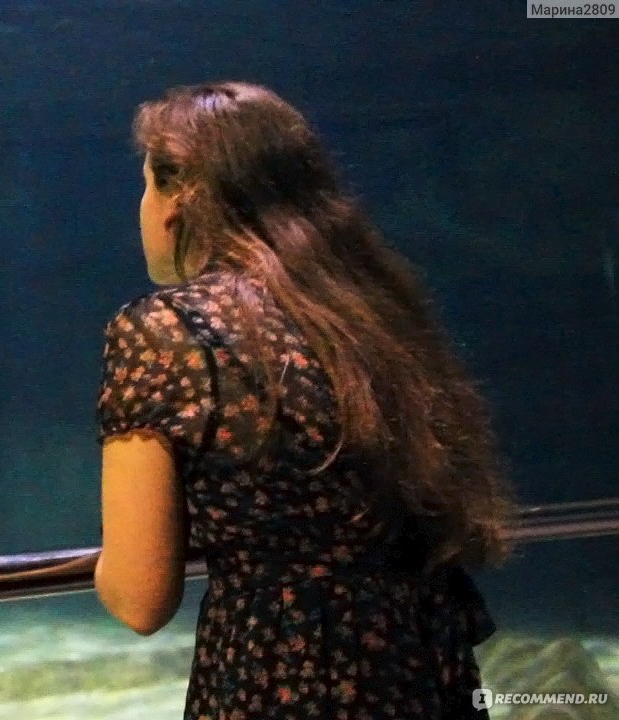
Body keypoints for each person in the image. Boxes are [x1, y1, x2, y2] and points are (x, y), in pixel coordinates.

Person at [92, 81, 517, 719]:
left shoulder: (167, 332)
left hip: (280, 672)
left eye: (149, 182)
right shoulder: (370, 310)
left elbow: (139, 597)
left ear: (182, 194)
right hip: (421, 667)